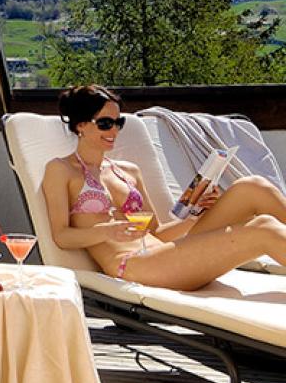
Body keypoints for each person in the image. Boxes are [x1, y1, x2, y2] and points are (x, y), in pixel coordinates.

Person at [42, 84, 286, 290]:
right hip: (135, 264)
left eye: (119, 123)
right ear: (81, 125)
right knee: (263, 228)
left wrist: (194, 216)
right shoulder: (61, 170)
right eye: (105, 123)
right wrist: (106, 232)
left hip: (166, 253)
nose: (114, 130)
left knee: (252, 187)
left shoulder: (128, 171)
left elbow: (155, 233)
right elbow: (61, 236)